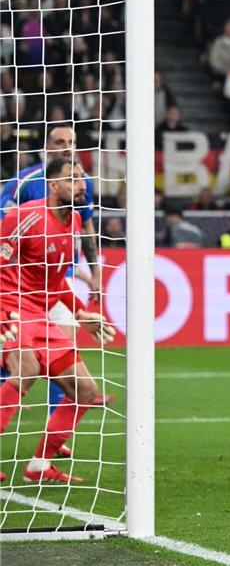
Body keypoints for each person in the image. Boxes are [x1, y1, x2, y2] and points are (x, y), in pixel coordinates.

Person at [0, 158, 116, 483]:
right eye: (72, 180)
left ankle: (39, 465)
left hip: (43, 316)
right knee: (27, 369)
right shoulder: (24, 216)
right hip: (11, 309)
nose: (81, 185)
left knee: (86, 390)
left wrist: (80, 314)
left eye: (82, 179)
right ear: (53, 185)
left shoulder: (75, 221)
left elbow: (55, 281)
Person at [0, 125, 101, 425]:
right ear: (47, 146)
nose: (67, 147)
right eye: (60, 141)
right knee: (25, 364)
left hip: (56, 283)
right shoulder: (26, 182)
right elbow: (7, 228)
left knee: (65, 353)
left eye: (72, 141)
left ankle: (52, 428)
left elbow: (86, 228)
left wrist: (93, 273)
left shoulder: (83, 185)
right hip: (17, 290)